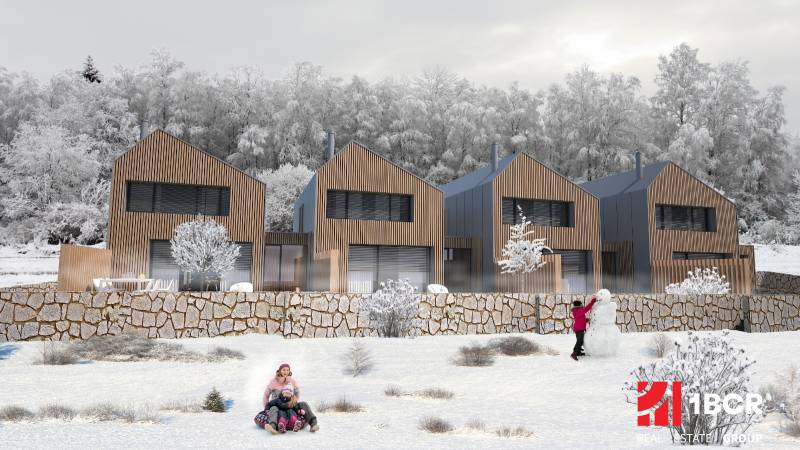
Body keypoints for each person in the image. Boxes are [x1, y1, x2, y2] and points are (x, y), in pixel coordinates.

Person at [259, 363, 320, 434]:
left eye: (287, 370)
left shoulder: (292, 381)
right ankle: (272, 427)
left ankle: (313, 424)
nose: (286, 372)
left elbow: (297, 392)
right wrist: (266, 407)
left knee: (303, 404)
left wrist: (293, 401)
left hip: (290, 405)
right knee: (273, 408)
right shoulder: (273, 382)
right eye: (283, 370)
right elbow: (266, 395)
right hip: (277, 406)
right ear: (279, 371)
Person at [570, 296, 597, 361]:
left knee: (581, 340)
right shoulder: (578, 310)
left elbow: (580, 318)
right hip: (579, 329)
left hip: (580, 328)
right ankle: (574, 353)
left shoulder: (578, 311)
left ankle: (578, 352)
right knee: (579, 341)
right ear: (579, 305)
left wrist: (586, 320)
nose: (582, 305)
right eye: (581, 304)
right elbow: (586, 309)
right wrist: (592, 302)